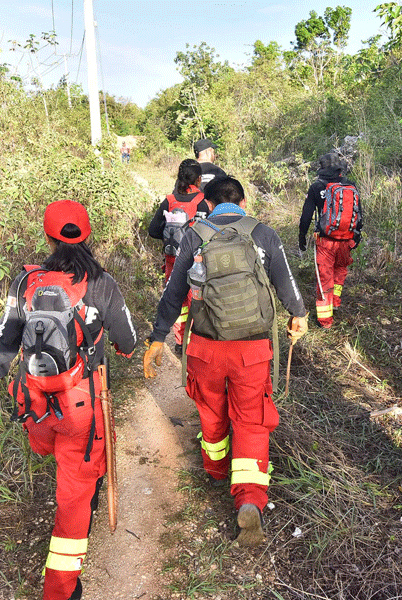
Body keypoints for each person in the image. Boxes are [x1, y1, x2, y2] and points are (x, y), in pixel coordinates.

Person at [0, 199, 137, 600]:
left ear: (47, 236)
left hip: (33, 405)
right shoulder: (102, 283)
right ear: (88, 235)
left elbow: (3, 343)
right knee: (74, 496)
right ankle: (60, 591)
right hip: (80, 407)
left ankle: (76, 486)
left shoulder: (25, 283)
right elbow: (127, 342)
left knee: (58, 456)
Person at [142, 176, 307, 546]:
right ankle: (249, 499)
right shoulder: (263, 234)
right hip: (252, 349)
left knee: (211, 407)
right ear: (243, 202)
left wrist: (157, 338)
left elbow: (173, 294)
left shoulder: (194, 235)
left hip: (206, 347)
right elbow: (286, 284)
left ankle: (216, 469)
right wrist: (298, 314)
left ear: (209, 205)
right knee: (251, 420)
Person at [148, 158, 210, 353]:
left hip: (172, 260)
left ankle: (180, 342)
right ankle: (196, 342)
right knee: (197, 301)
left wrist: (170, 238)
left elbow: (153, 230)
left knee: (177, 299)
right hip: (196, 261)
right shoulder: (203, 202)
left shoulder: (169, 200)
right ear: (198, 180)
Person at [298, 153, 363, 328]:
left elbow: (306, 216)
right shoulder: (351, 185)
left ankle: (325, 321)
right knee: (340, 271)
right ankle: (335, 301)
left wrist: (302, 237)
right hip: (347, 240)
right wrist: (357, 236)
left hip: (325, 241)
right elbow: (359, 213)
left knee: (324, 279)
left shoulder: (316, 187)